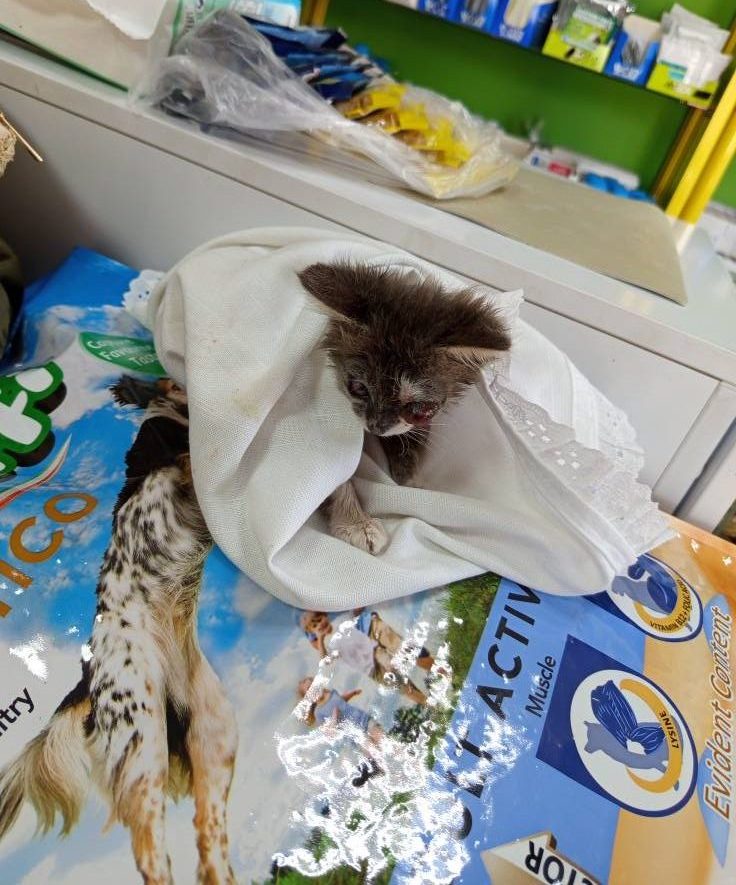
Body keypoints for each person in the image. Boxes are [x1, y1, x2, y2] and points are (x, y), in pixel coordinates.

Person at [300, 608, 430, 705]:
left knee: (396, 663)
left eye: (320, 620)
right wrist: (320, 639)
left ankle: (427, 669)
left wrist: (372, 619)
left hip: (375, 650)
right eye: (315, 626)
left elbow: (356, 615)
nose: (320, 625)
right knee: (402, 687)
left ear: (325, 616)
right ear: (313, 632)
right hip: (369, 669)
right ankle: (428, 703)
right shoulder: (327, 644)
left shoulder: (340, 620)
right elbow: (325, 661)